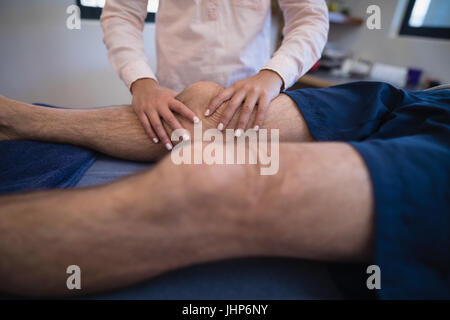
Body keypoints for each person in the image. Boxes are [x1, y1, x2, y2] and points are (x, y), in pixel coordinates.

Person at [0, 81, 448, 298]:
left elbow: (308, 18)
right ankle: (21, 119)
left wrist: (274, 73)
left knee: (217, 174)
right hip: (430, 100)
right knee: (202, 106)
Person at [100, 0, 329, 150]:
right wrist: (140, 80)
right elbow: (122, 12)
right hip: (174, 103)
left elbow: (310, 17)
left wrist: (275, 73)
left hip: (250, 109)